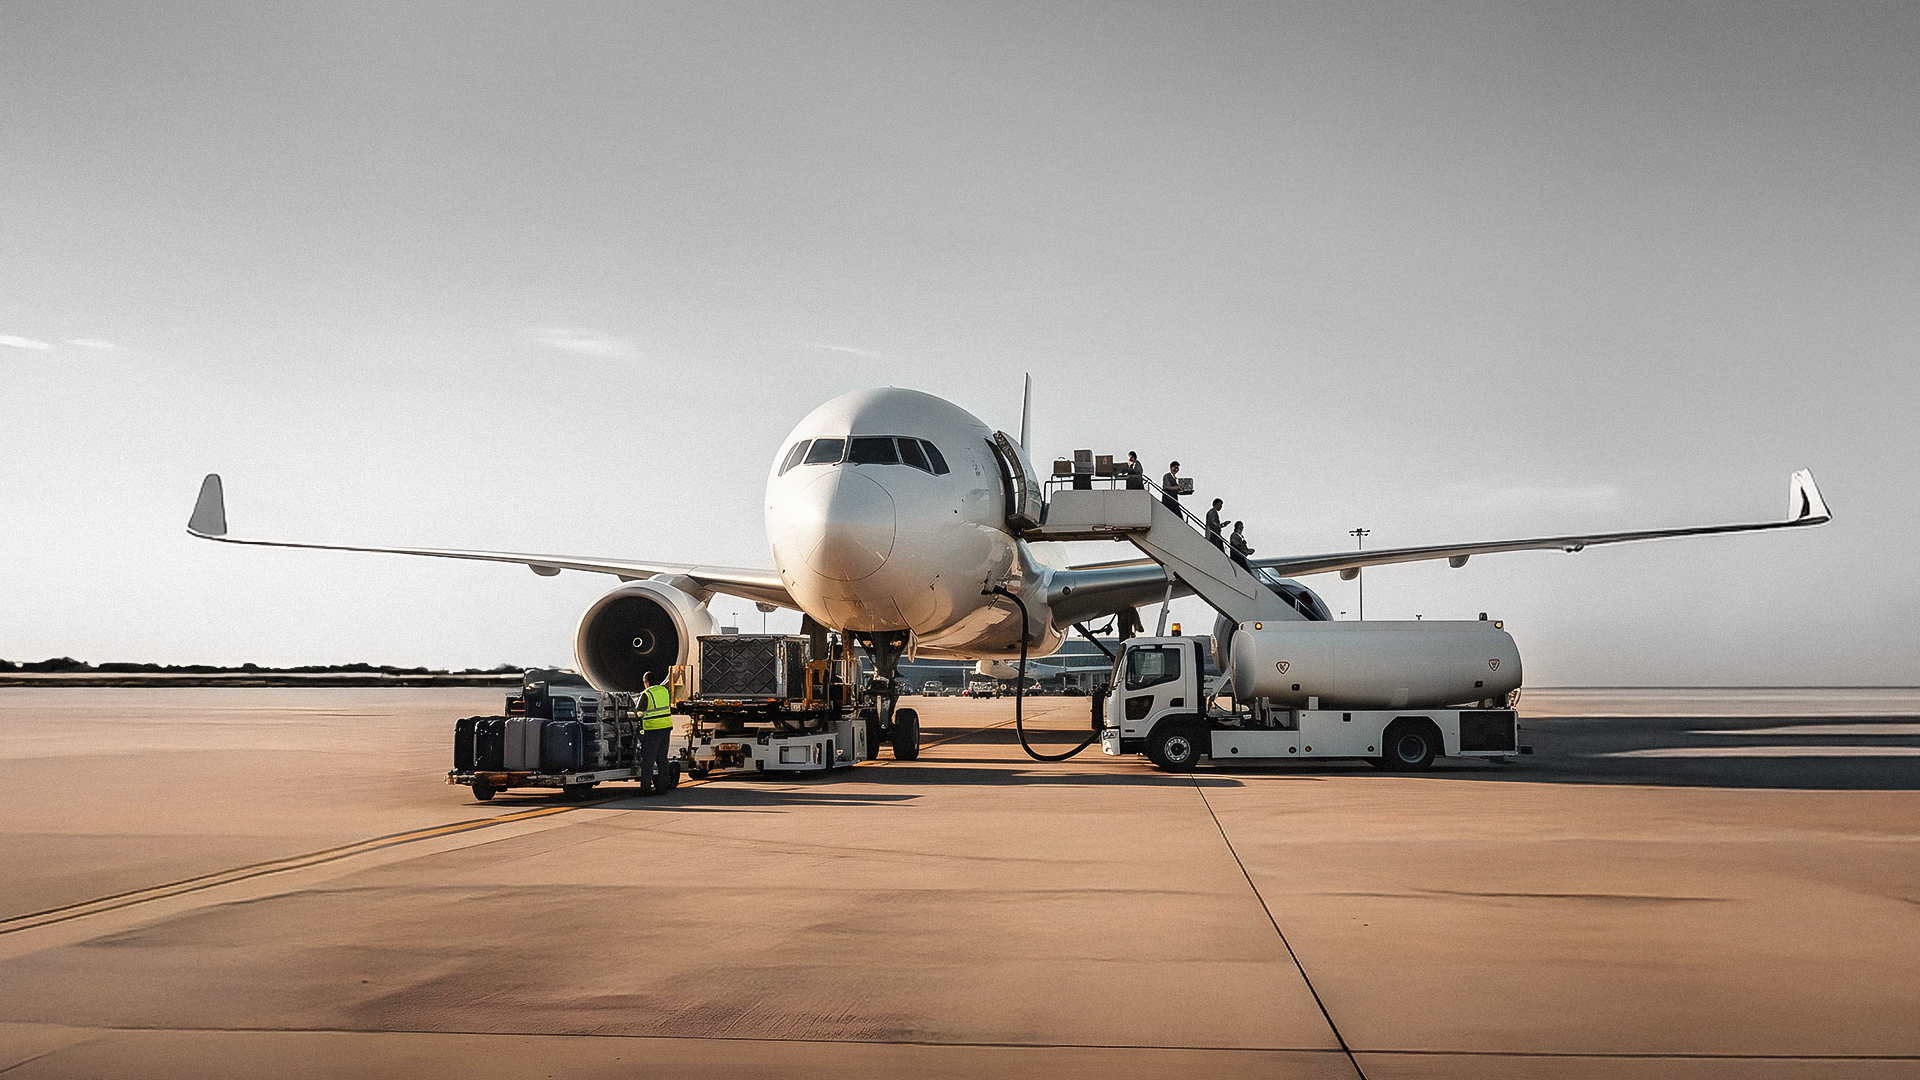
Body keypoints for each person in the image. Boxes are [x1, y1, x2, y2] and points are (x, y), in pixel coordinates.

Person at [638, 671, 674, 794]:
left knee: (648, 760)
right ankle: (663, 787)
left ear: (646, 682)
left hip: (652, 730)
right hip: (666, 728)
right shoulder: (664, 691)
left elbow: (639, 712)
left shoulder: (646, 694)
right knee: (662, 759)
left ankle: (645, 788)